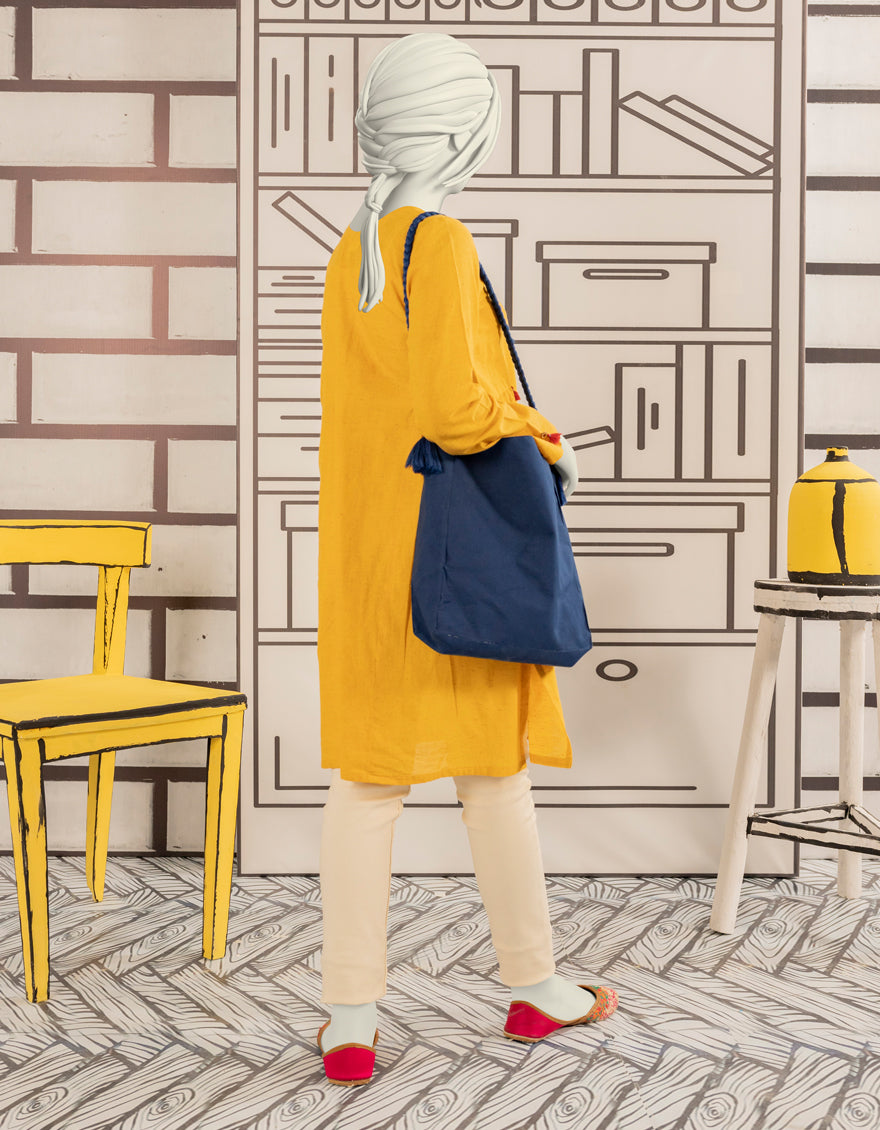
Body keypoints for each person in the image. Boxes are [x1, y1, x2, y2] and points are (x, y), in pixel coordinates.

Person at [315, 31, 618, 1087]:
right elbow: (453, 411)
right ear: (455, 133)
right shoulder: (435, 240)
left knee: (368, 787)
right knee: (494, 775)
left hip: (370, 560)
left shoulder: (355, 249)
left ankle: (349, 1022)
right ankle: (535, 987)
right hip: (453, 560)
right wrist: (541, 432)